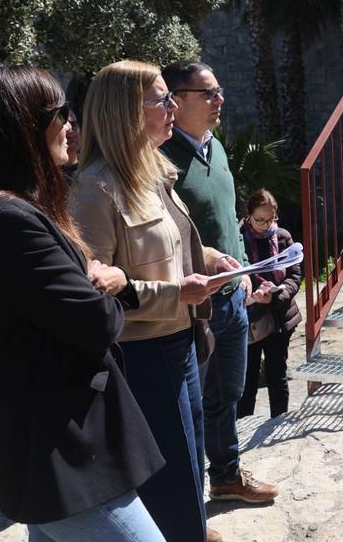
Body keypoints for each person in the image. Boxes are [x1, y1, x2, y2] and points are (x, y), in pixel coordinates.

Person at [0, 64, 167, 541]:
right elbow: (95, 324)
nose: (70, 124)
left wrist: (94, 279)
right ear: (19, 126)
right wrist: (111, 282)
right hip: (58, 446)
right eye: (58, 112)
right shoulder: (3, 218)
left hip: (51, 439)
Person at [71, 60, 239, 542]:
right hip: (143, 352)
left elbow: (166, 247)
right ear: (126, 111)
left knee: (189, 456)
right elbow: (96, 284)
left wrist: (208, 257)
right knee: (170, 470)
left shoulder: (153, 171)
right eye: (161, 99)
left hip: (182, 339)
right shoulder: (95, 186)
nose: (172, 108)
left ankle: (192, 530)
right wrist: (174, 293)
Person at [159, 60, 280, 504]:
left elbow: (228, 217)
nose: (219, 100)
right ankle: (185, 501)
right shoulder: (160, 157)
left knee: (227, 394)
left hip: (233, 296)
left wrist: (247, 269)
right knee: (189, 406)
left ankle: (226, 476)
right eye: (208, 93)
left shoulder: (215, 146)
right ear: (177, 100)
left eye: (219, 90)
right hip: (192, 306)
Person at [236, 189, 302, 419]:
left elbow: (294, 276)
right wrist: (251, 292)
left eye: (271, 219)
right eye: (260, 220)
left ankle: (278, 426)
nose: (266, 225)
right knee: (247, 380)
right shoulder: (237, 237)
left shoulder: (282, 236)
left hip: (278, 317)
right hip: (249, 317)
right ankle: (243, 431)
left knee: (277, 376)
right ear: (248, 214)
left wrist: (275, 296)